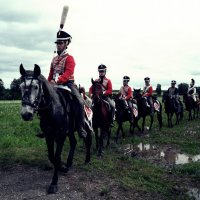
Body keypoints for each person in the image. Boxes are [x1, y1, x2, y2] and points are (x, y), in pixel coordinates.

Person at [47, 30, 87, 138]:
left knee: (80, 102)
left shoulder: (70, 58)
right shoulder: (54, 59)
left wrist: (57, 81)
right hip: (54, 85)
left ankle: (80, 127)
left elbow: (68, 72)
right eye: (57, 43)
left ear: (66, 44)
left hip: (68, 85)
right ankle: (46, 126)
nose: (58, 45)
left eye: (60, 43)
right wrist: (47, 83)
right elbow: (51, 74)